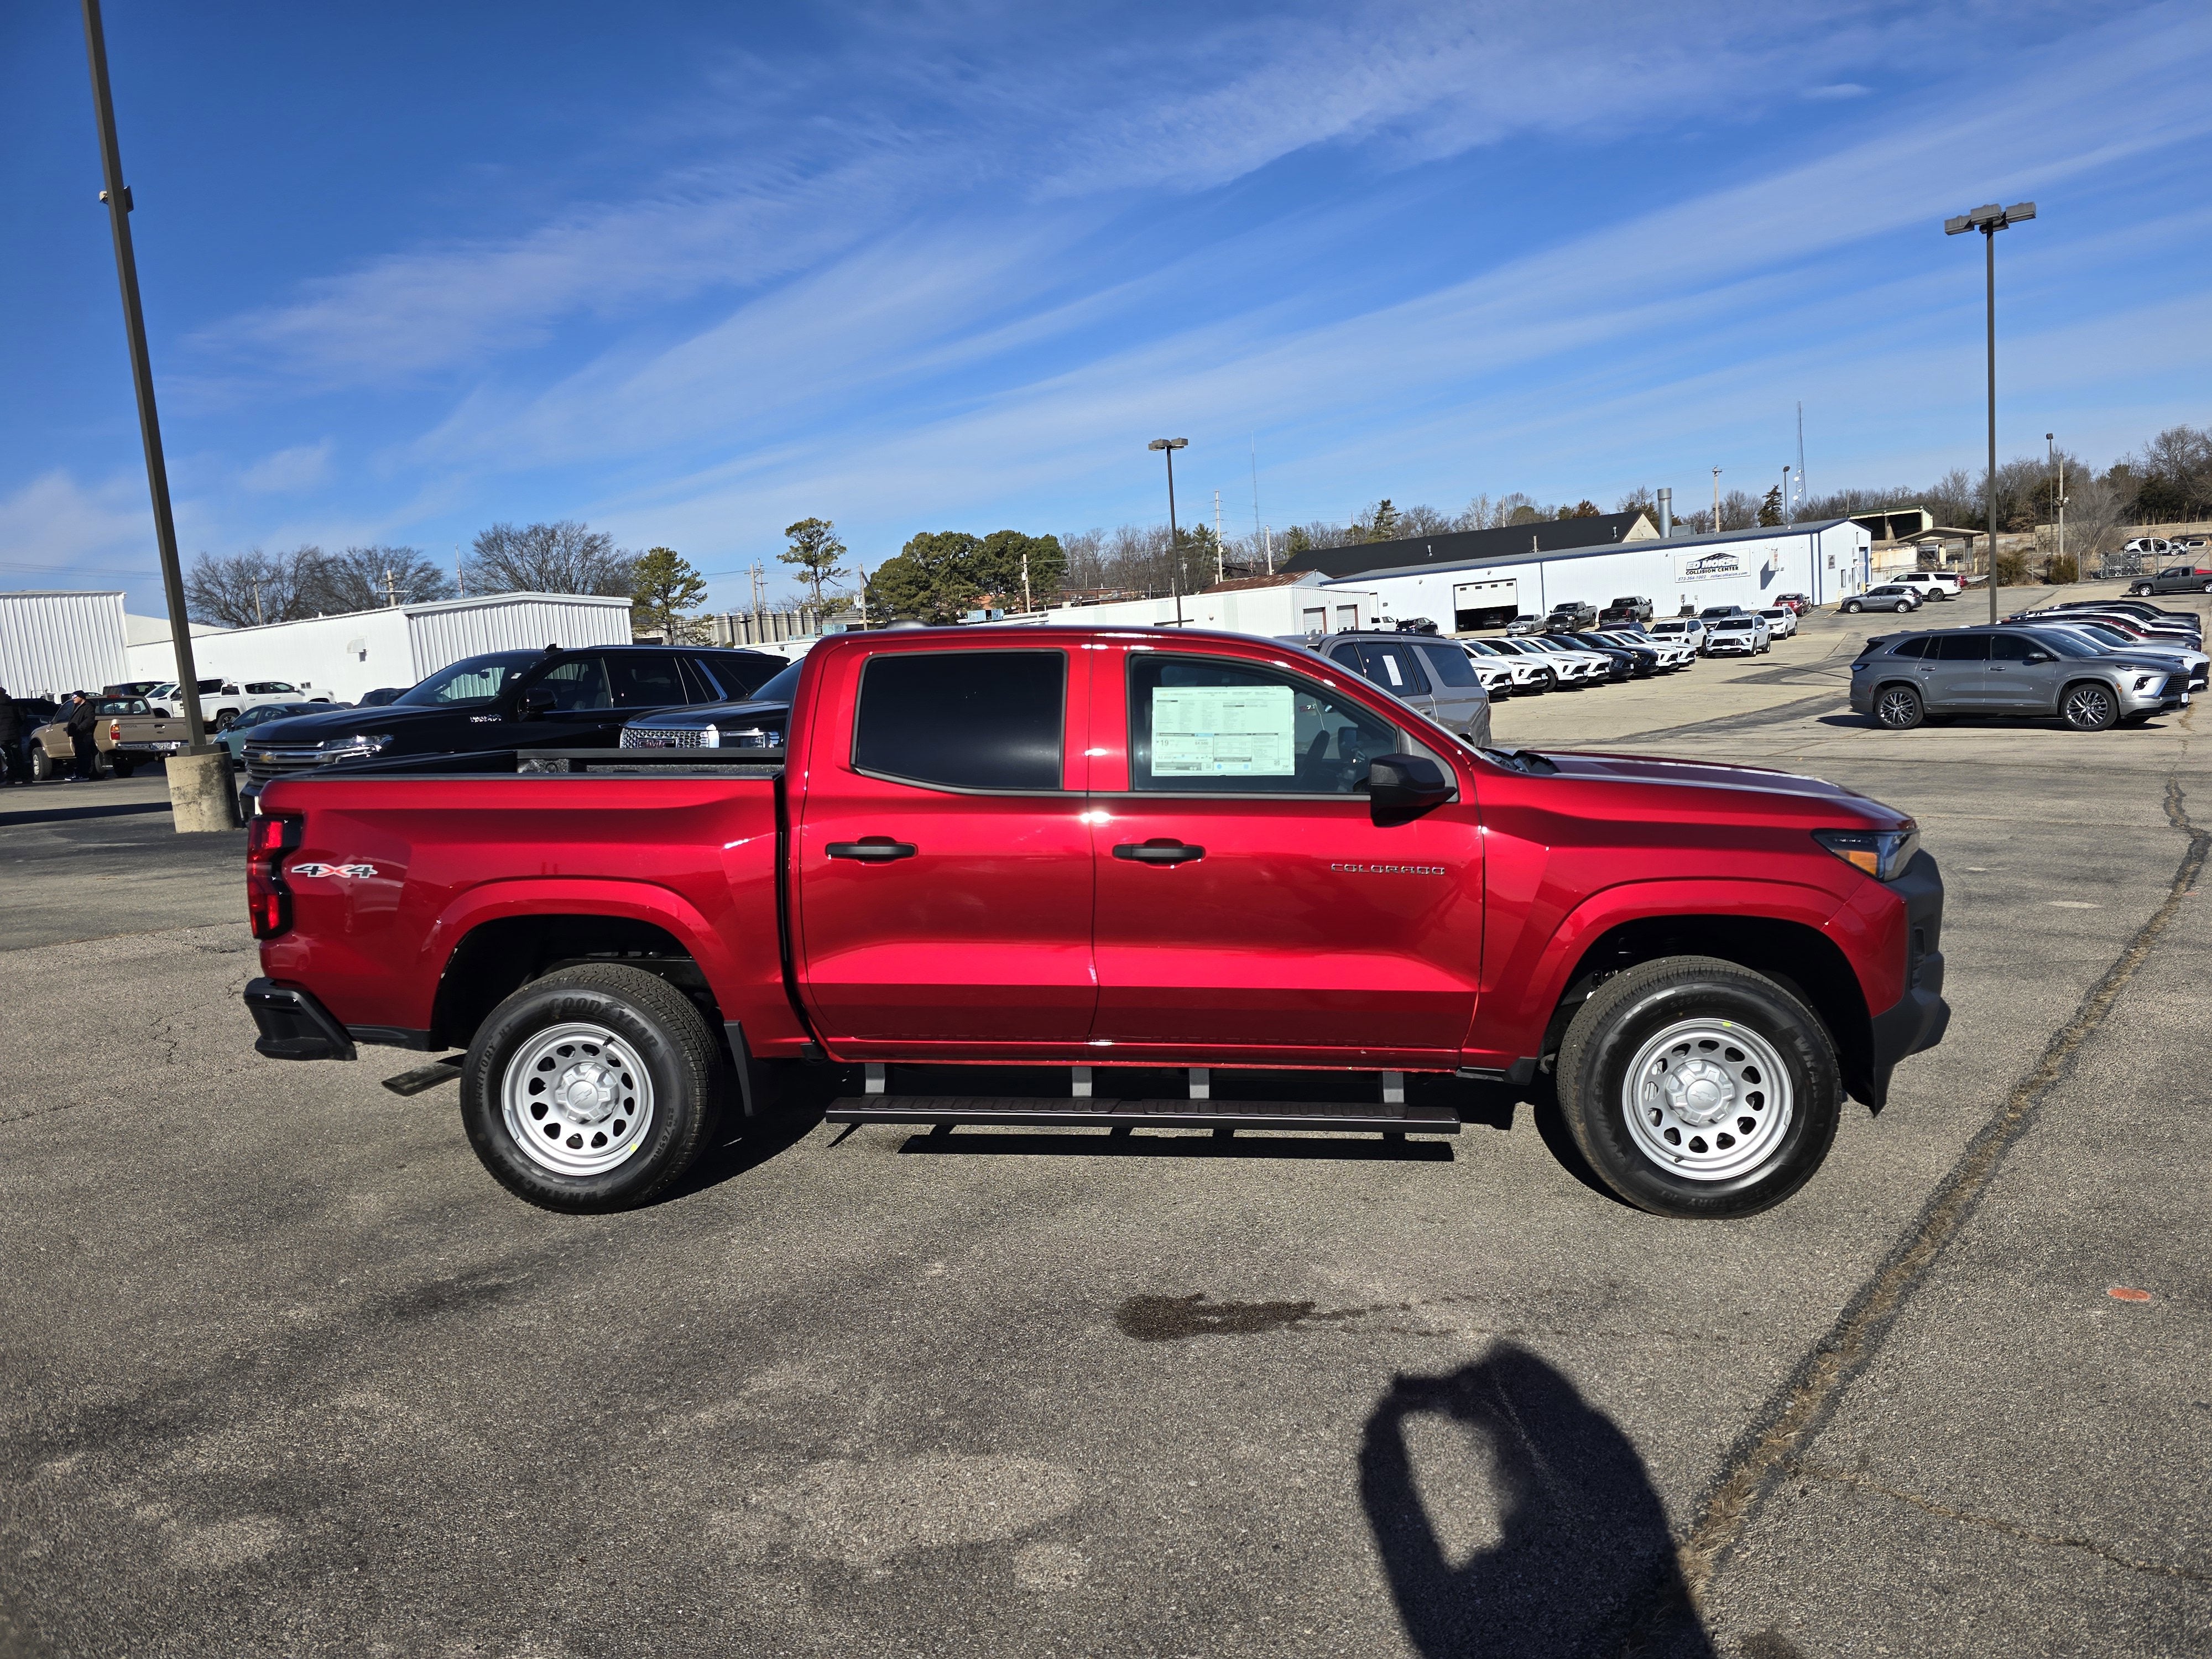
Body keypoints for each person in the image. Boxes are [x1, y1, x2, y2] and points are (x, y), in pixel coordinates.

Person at [64, 691, 101, 782]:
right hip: (77, 735)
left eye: (75, 696)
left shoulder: (88, 707)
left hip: (85, 735)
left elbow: (89, 720)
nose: (73, 698)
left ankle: (83, 775)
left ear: (81, 697)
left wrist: (79, 729)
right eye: (72, 696)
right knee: (79, 755)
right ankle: (78, 774)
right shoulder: (77, 706)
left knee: (84, 756)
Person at [0, 687, 20, 786]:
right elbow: (22, 717)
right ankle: (25, 778)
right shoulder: (13, 704)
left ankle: (11, 779)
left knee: (7, 758)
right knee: (19, 756)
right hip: (15, 733)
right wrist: (16, 726)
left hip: (2, 736)